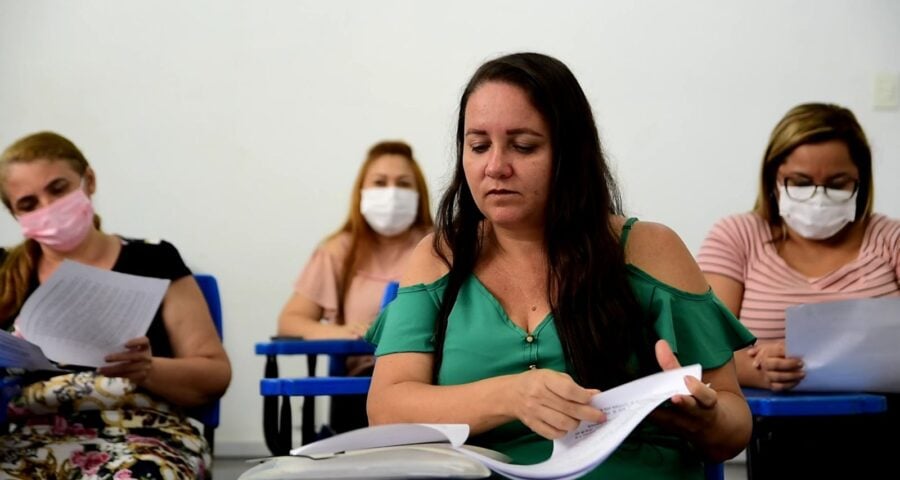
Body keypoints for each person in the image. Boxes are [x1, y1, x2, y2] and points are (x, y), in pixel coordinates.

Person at [365, 52, 755, 478]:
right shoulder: (440, 256)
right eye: (478, 146)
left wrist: (707, 418)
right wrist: (512, 395)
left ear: (571, 153)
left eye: (524, 146)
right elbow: (387, 410)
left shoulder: (647, 248)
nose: (496, 167)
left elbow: (734, 427)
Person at [0, 131, 231, 479]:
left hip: (146, 435)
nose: (48, 209)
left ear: (88, 181)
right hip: (28, 435)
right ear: (15, 215)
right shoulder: (4, 274)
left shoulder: (153, 261)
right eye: (29, 204)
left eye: (58, 189)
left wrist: (148, 369)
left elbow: (214, 375)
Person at [696, 103, 900, 476]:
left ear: (861, 181)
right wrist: (757, 369)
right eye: (801, 182)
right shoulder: (738, 236)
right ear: (774, 179)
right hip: (775, 435)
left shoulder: (890, 239)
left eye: (838, 184)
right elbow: (704, 348)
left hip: (886, 428)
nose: (818, 197)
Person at [277, 140, 433, 433]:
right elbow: (290, 320)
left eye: (402, 183)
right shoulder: (338, 251)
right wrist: (338, 332)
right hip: (362, 384)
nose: (390, 193)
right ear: (361, 192)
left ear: (418, 194)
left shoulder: (440, 247)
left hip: (433, 380)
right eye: (379, 182)